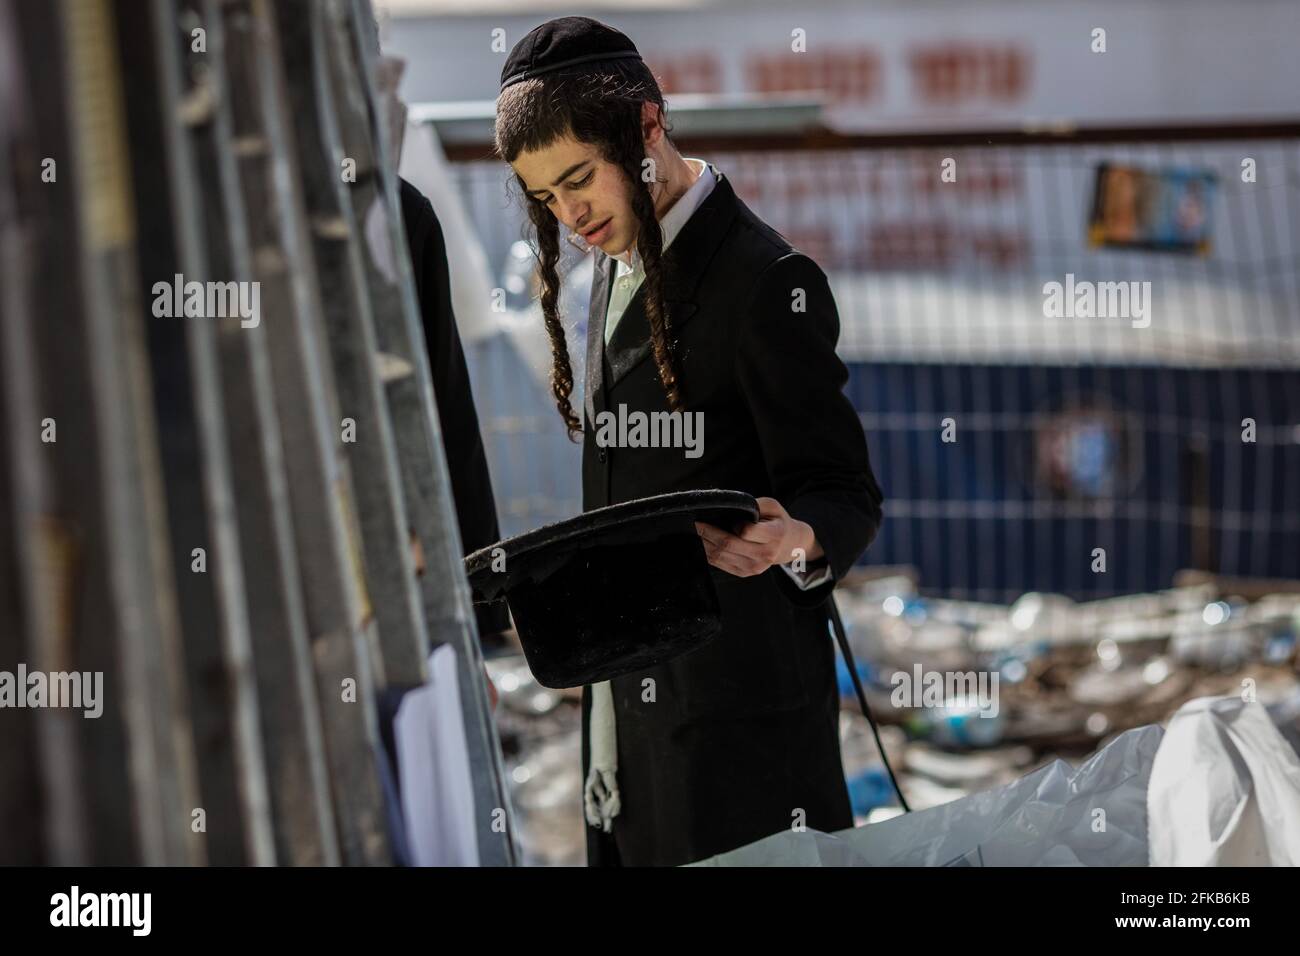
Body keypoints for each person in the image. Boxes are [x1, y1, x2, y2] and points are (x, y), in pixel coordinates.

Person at [495, 17, 884, 865]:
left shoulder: (767, 282)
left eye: (578, 181)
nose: (571, 216)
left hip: (741, 738)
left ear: (644, 126)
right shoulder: (615, 260)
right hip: (628, 722)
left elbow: (845, 490)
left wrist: (796, 536)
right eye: (547, 199)